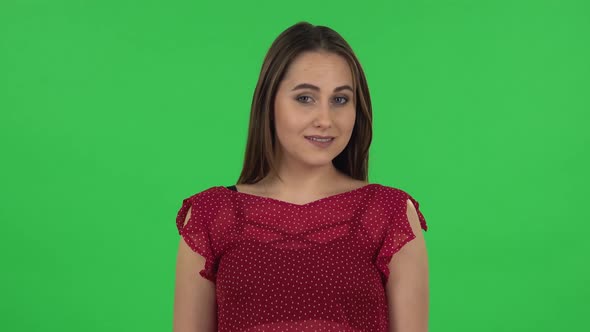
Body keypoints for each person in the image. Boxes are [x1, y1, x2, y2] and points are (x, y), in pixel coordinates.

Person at [173, 21, 429, 332]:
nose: (325, 119)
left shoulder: (389, 214)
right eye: (305, 98)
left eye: (340, 99)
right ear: (269, 103)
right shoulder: (211, 215)